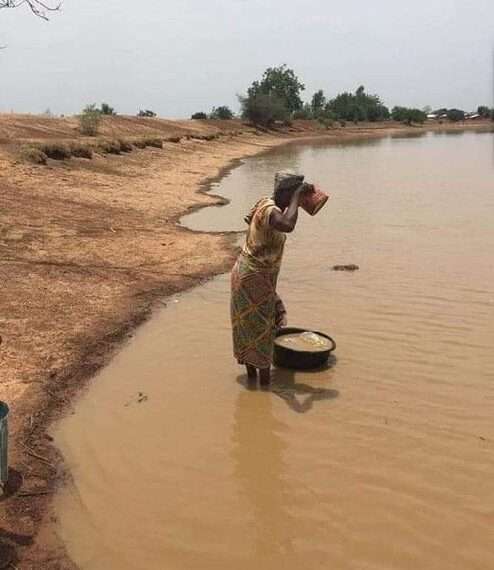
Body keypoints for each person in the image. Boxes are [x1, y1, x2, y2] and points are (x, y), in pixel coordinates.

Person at [230, 170, 310, 386]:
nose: (298, 200)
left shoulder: (266, 204)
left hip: (251, 274)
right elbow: (288, 225)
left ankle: (253, 384)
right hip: (253, 277)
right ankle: (264, 388)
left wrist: (298, 202)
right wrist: (297, 199)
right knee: (263, 331)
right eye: (294, 194)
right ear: (285, 193)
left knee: (252, 326)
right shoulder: (272, 211)